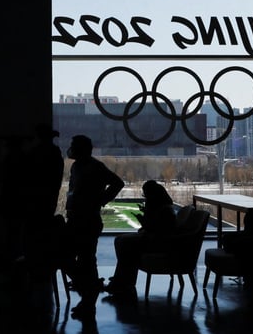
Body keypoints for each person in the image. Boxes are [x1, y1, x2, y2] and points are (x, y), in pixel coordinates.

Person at [63, 134, 124, 318]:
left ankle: (88, 298)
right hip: (76, 219)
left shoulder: (94, 167)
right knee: (77, 259)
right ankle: (89, 291)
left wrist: (100, 201)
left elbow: (118, 183)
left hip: (87, 220)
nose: (70, 149)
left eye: (73, 146)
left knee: (84, 260)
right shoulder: (78, 166)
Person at [103, 180, 176, 301]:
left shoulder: (162, 209)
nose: (145, 197)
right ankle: (123, 280)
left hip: (156, 242)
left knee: (123, 242)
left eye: (146, 195)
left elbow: (154, 228)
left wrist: (142, 219)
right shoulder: (164, 207)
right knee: (122, 241)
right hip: (156, 240)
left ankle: (122, 280)